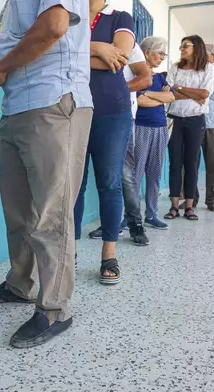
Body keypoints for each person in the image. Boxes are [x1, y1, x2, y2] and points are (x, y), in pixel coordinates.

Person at [0, 0, 93, 349]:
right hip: (17, 105)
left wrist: (0, 66)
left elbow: (55, 25)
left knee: (52, 213)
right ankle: (20, 283)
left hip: (53, 100)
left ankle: (55, 308)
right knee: (19, 211)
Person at [74, 0, 138, 286]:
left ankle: (108, 255)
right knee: (71, 183)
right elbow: (55, 52)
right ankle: (69, 251)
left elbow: (120, 57)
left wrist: (77, 52)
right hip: (71, 107)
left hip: (112, 111)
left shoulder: (120, 17)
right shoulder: (69, 13)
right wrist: (100, 48)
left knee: (110, 182)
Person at [89, 39, 152, 241]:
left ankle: (136, 225)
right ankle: (111, 225)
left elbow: (145, 78)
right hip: (84, 113)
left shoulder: (126, 41)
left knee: (121, 175)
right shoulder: (87, 36)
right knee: (94, 179)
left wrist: (115, 92)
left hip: (118, 116)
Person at [123, 36, 174, 243]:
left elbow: (171, 97)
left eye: (164, 54)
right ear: (146, 53)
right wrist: (156, 97)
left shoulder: (161, 79)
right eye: (159, 53)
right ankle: (130, 217)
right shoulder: (138, 74)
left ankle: (152, 214)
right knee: (134, 176)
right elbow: (140, 101)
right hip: (141, 127)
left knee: (154, 174)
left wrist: (151, 96)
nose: (162, 57)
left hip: (161, 128)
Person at [163, 35, 214, 222]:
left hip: (195, 120)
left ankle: (190, 206)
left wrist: (180, 88)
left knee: (192, 164)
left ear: (197, 47)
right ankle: (174, 205)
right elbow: (169, 92)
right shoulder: (175, 67)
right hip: (174, 119)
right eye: (181, 45)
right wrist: (191, 93)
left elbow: (205, 93)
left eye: (186, 45)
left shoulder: (208, 68)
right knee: (175, 163)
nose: (182, 48)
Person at [185, 43, 214, 212]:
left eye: (206, 55)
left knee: (212, 164)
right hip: (192, 123)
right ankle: (192, 198)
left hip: (213, 126)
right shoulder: (193, 75)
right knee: (191, 163)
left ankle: (212, 200)